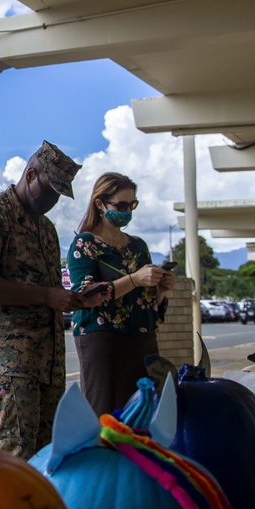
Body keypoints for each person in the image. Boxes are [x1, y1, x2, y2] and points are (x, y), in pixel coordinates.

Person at [0, 141, 107, 459]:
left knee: (45, 460)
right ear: (30, 175)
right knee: (10, 459)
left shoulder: (46, 228)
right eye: (51, 188)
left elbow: (48, 292)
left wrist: (76, 299)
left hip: (45, 368)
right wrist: (47, 296)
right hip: (5, 370)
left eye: (60, 193)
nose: (54, 199)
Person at [67, 172, 172, 415]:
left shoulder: (138, 246)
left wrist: (162, 290)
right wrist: (135, 279)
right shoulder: (85, 244)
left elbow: (148, 304)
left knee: (145, 413)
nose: (128, 211)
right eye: (122, 205)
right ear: (100, 204)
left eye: (132, 204)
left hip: (142, 337)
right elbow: (85, 295)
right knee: (105, 413)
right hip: (103, 340)